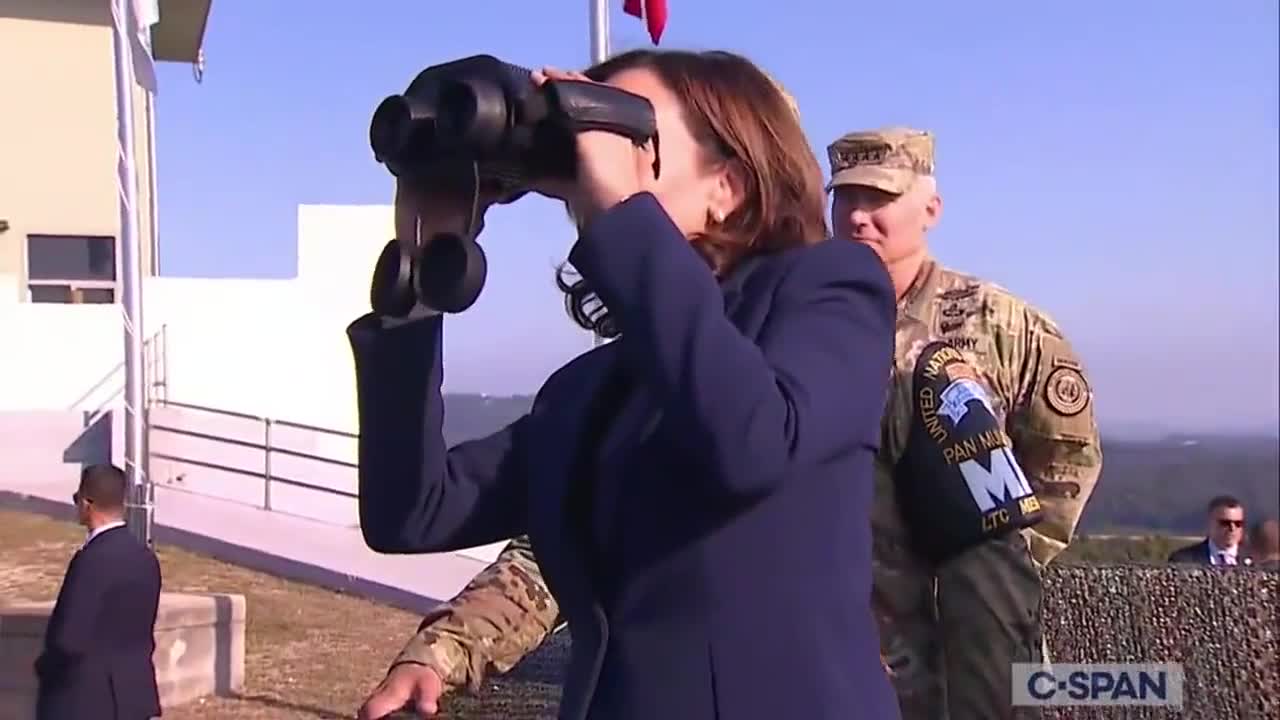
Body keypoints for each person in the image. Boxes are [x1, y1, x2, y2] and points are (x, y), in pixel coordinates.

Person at [359, 127, 1105, 720]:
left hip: (934, 664)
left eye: (881, 197)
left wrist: (977, 573)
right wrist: (449, 647)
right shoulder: (690, 357)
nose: (858, 215)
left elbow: (1058, 464)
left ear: (931, 209)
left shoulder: (998, 327)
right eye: (845, 196)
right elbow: (571, 527)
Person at [351, 49, 899, 720]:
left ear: (725, 186)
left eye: (630, 135)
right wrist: (418, 276)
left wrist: (617, 204)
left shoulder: (830, 289)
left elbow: (753, 443)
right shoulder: (586, 392)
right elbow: (412, 511)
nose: (591, 160)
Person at [35, 464, 163, 720]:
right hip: (134, 696)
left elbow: (68, 638)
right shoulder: (146, 558)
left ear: (86, 503)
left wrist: (44, 667)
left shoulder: (91, 561)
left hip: (86, 700)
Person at [1168, 495, 1252, 566]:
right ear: (1210, 523)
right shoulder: (1184, 560)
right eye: (1225, 523)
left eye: (1238, 524)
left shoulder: (1255, 560)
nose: (1232, 529)